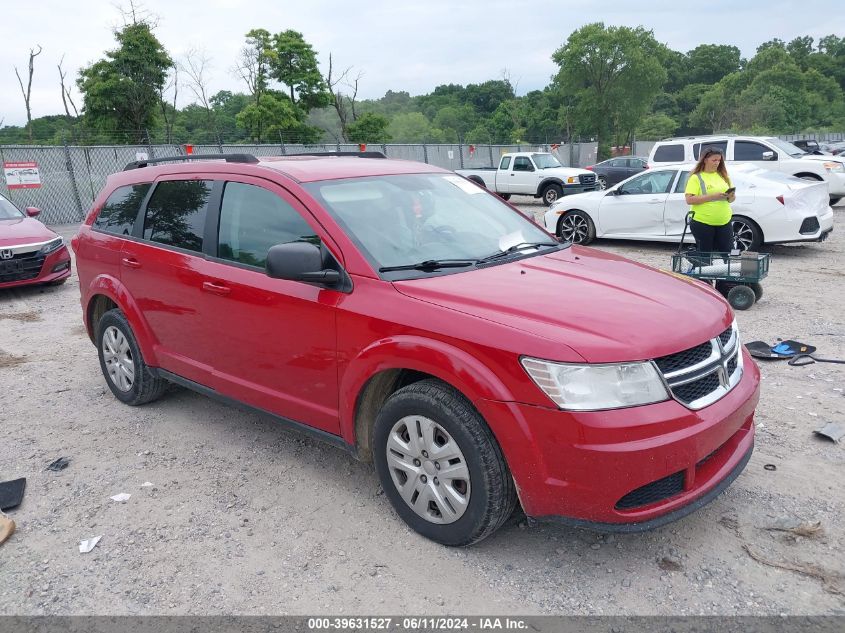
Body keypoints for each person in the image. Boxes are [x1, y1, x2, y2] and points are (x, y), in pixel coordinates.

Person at [684, 147, 736, 252]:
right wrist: (713, 196)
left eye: (719, 160)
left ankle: (724, 269)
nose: (717, 163)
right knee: (705, 255)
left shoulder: (724, 176)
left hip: (724, 221)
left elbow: (731, 200)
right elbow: (689, 200)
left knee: (728, 253)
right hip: (703, 223)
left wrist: (731, 197)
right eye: (714, 160)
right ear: (705, 160)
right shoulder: (696, 178)